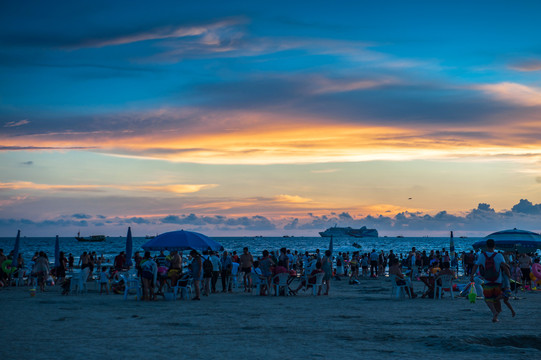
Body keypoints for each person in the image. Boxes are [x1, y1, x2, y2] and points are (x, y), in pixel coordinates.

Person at [470, 239, 506, 322]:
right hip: (498, 280)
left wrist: (472, 275)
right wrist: (508, 276)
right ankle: (497, 313)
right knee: (496, 298)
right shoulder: (499, 255)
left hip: (487, 280)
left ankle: (494, 312)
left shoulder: (482, 255)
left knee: (487, 299)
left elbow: (476, 265)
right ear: (494, 246)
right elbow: (504, 266)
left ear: (486, 246)